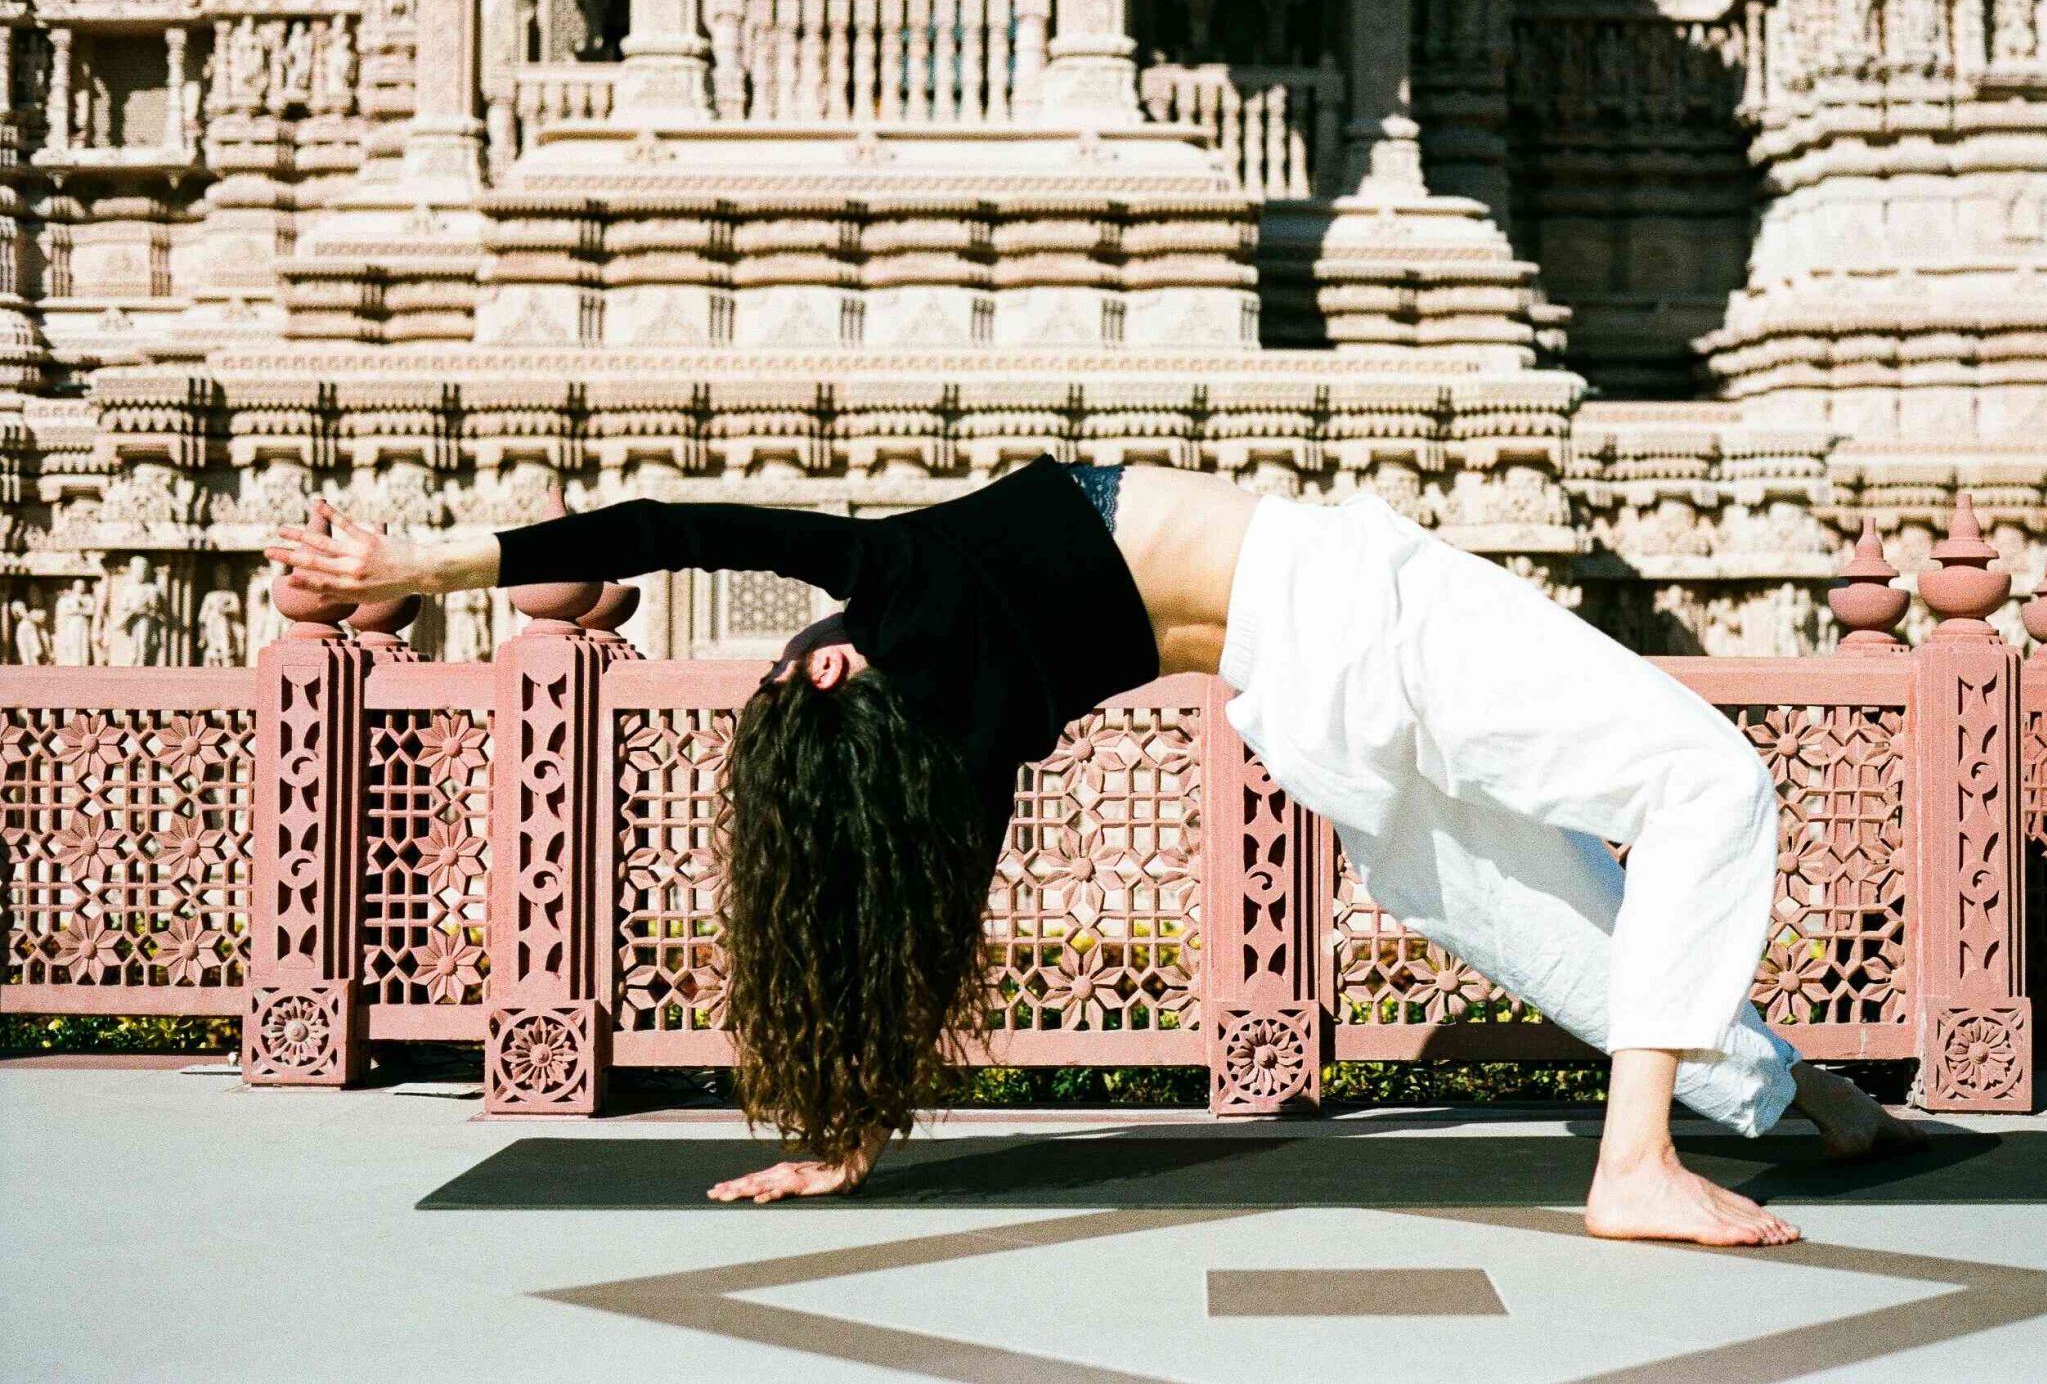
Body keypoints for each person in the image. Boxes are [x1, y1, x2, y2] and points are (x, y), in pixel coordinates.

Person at [267, 457, 1921, 1247]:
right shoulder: (897, 586)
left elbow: (924, 939)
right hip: (1351, 608)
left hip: (1299, 711)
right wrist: (426, 555)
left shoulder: (957, 751)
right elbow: (669, 526)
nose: (801, 645)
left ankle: (1798, 1100)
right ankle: (1634, 1168)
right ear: (831, 667)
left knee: (1553, 922)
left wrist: (848, 1145)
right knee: (1706, 784)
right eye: (798, 662)